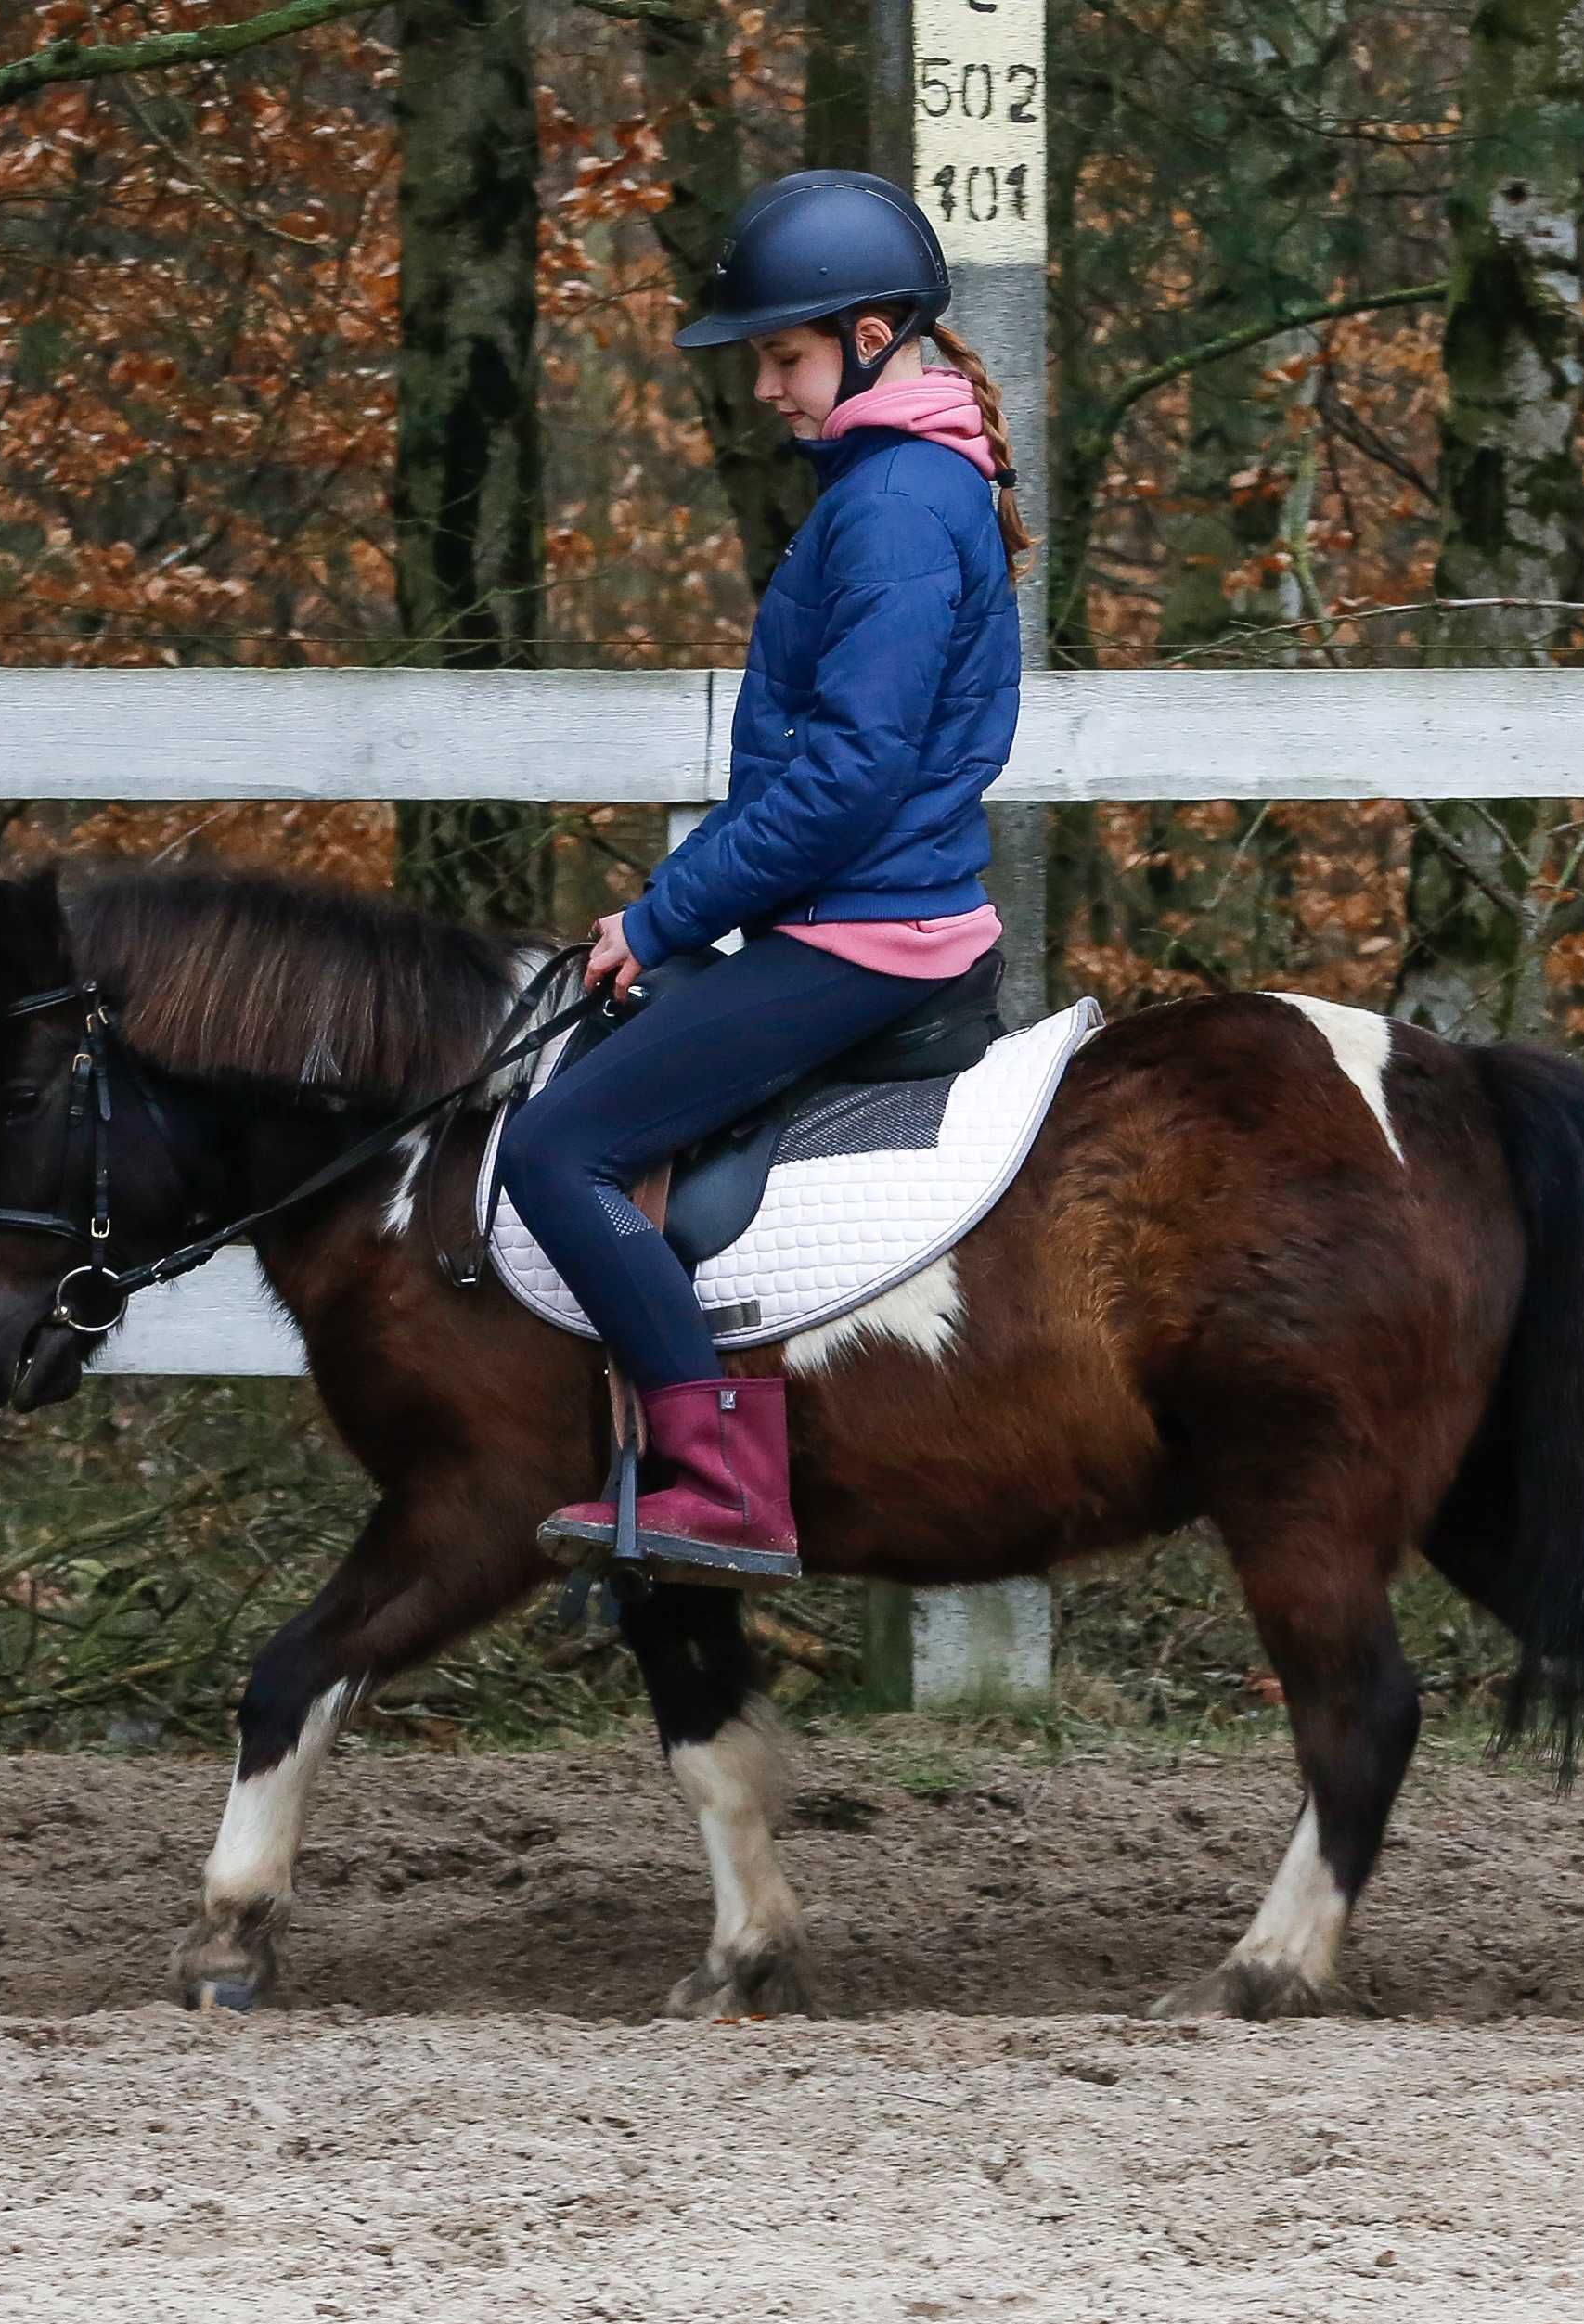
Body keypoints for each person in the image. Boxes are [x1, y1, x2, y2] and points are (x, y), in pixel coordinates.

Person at [505, 167, 1032, 1586]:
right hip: (859, 913)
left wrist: (664, 910)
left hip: (868, 937)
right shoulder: (902, 484)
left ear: (871, 335)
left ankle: (724, 1481)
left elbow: (848, 775)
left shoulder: (897, 508)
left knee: (556, 1149)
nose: (766, 390)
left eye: (784, 358)